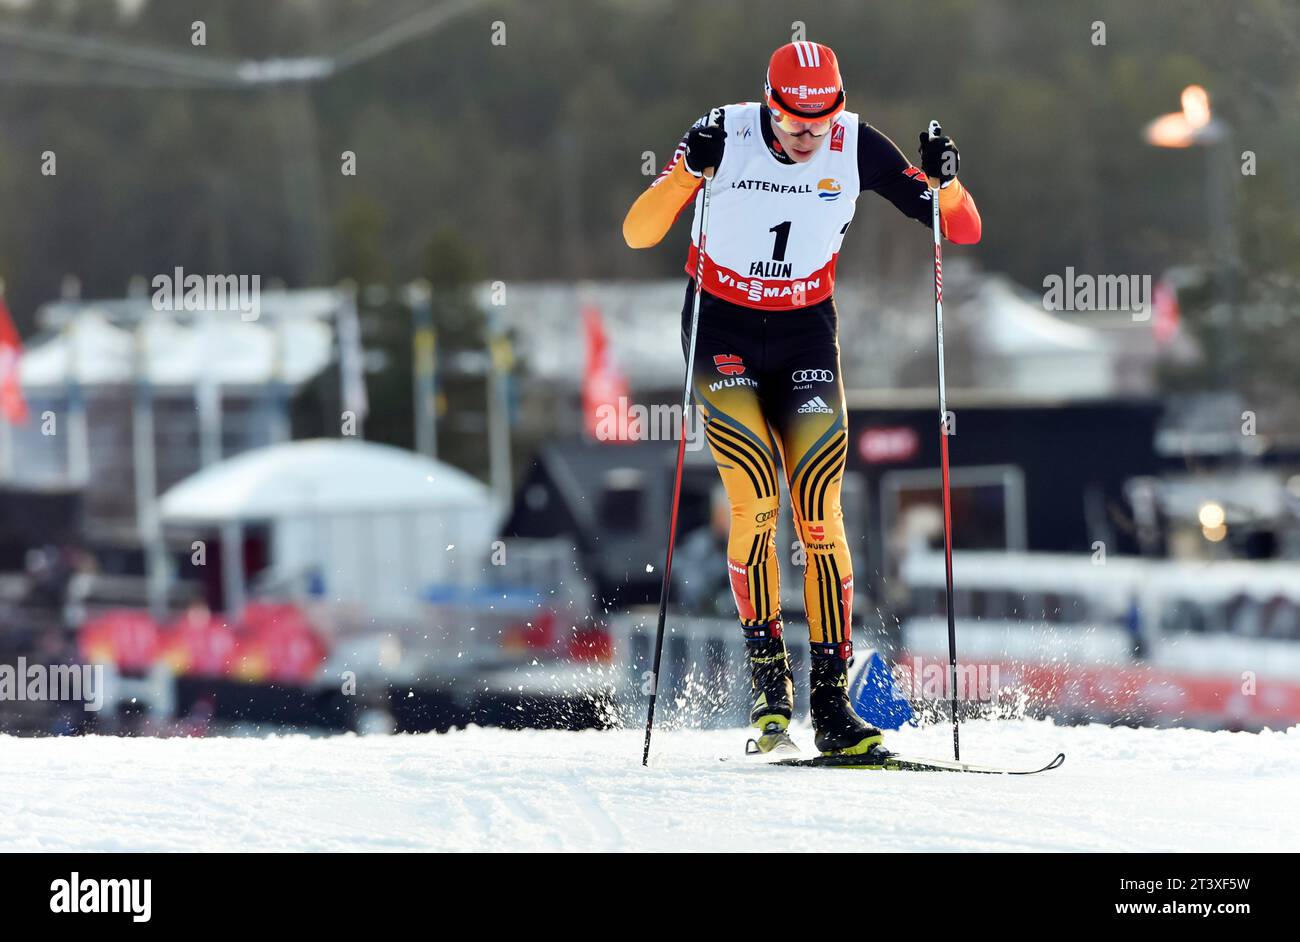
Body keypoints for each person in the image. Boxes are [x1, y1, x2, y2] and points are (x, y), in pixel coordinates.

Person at [623, 40, 981, 756]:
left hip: (805, 332)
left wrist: (949, 184)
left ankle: (833, 704)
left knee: (819, 509)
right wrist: (688, 171)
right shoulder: (723, 132)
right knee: (756, 495)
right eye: (794, 126)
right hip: (721, 326)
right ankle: (768, 691)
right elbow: (638, 232)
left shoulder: (854, 144)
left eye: (823, 123)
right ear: (770, 105)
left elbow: (961, 228)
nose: (810, 138)